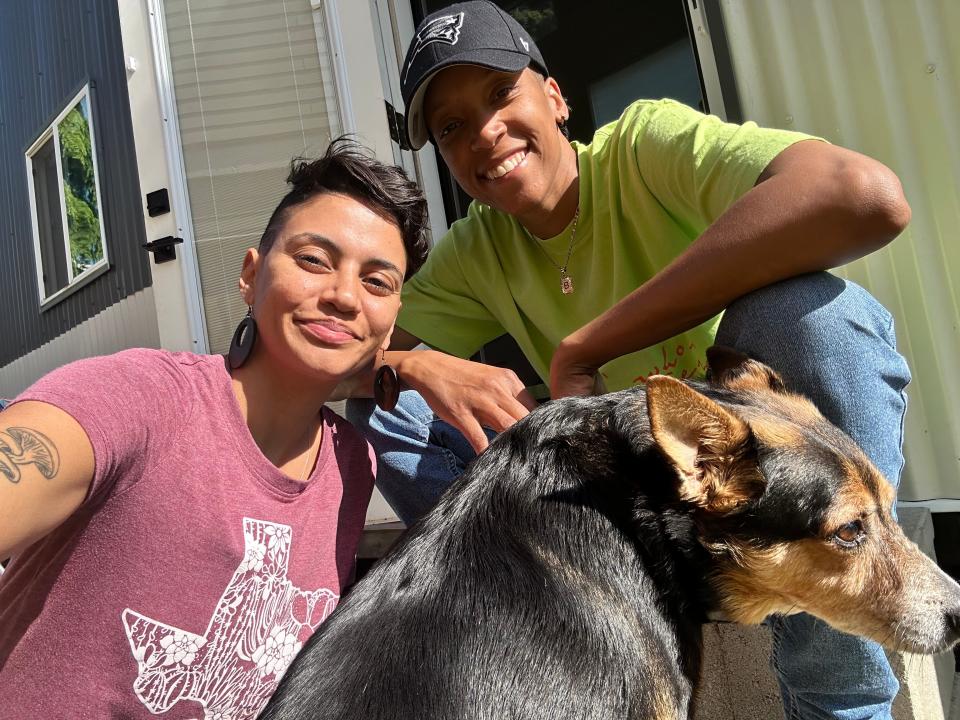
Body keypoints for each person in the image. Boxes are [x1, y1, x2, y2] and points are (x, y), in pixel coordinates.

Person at [342, 2, 913, 719]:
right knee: (388, 405)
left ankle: (838, 693)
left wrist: (590, 344)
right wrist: (423, 365)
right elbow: (329, 351)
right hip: (632, 530)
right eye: (452, 127)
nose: (484, 132)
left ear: (554, 97)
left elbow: (863, 198)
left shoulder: (644, 148)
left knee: (818, 315)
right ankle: (536, 609)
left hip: (757, 497)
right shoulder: (476, 248)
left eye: (499, 94)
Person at [0, 139, 429, 718]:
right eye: (313, 260)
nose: (344, 296)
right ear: (251, 276)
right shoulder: (142, 397)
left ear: (393, 318)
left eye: (378, 282)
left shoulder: (353, 465)